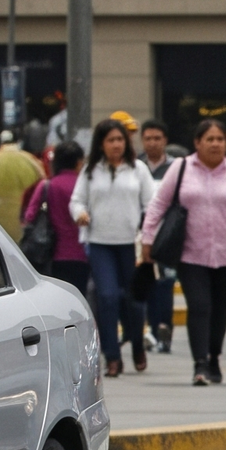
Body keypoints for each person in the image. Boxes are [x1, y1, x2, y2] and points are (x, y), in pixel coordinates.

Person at [141, 116, 226, 386]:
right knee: (199, 306)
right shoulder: (180, 168)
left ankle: (214, 357)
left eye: (220, 139)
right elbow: (158, 205)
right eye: (209, 139)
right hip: (191, 253)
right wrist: (147, 238)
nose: (215, 144)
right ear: (197, 143)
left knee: (220, 309)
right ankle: (199, 363)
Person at [71, 118, 154, 377]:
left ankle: (138, 345)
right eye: (111, 140)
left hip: (132, 244)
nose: (116, 145)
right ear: (101, 144)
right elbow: (76, 201)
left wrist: (147, 234)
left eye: (120, 140)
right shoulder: (90, 170)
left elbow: (151, 205)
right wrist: (81, 214)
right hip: (100, 243)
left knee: (133, 300)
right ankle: (112, 357)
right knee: (106, 298)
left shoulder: (138, 169)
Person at [22, 139, 88, 293]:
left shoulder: (47, 185)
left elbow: (30, 215)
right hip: (84, 255)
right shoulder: (84, 185)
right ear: (79, 162)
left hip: (54, 255)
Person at [138, 118, 178, 352]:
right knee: (147, 284)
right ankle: (148, 332)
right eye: (148, 139)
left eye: (157, 139)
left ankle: (164, 330)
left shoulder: (175, 168)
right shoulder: (136, 167)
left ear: (165, 141)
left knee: (166, 284)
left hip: (167, 236)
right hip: (141, 236)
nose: (152, 143)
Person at [0, 128, 44, 239]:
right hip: (24, 212)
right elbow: (43, 180)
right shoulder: (30, 159)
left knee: (2, 243)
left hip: (0, 211)